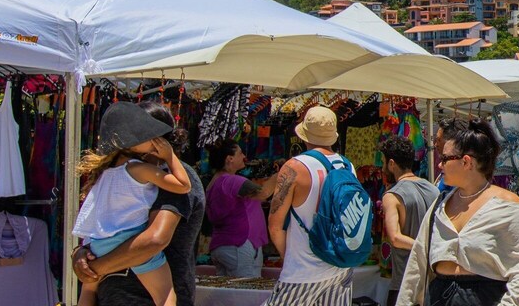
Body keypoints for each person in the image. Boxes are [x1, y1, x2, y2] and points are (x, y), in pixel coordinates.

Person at [394, 119, 519, 306]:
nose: (440, 165)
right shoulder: (439, 205)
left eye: (445, 159)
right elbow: (418, 262)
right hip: (439, 296)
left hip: (486, 298)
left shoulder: (507, 207)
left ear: (466, 162)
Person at [74, 103, 207, 306]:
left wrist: (95, 268)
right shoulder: (132, 172)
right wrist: (81, 255)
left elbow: (155, 239)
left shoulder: (167, 175)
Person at [264, 106, 357, 305]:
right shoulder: (347, 166)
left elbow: (275, 225)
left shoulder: (294, 167)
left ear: (305, 135)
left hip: (303, 271)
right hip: (340, 267)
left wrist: (290, 258)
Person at [205, 142, 275, 278]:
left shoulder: (214, 182)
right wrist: (282, 173)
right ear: (229, 158)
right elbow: (264, 193)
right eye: (240, 153)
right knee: (245, 292)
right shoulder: (232, 181)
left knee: (227, 294)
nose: (244, 156)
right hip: (239, 245)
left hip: (223, 244)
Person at [382, 139, 435, 305]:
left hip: (406, 283)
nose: (382, 168)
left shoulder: (392, 195)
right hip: (431, 279)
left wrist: (422, 248)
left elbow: (396, 238)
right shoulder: (433, 189)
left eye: (383, 163)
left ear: (391, 164)